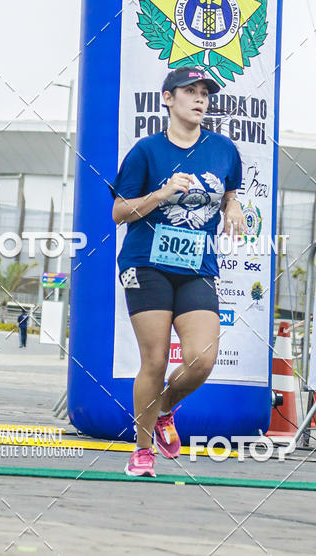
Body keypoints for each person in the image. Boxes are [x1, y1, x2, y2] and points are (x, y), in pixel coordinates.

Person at [110, 66, 244, 477]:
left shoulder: (223, 149)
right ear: (168, 98)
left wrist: (234, 206)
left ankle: (164, 409)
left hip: (196, 265)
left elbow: (230, 190)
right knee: (154, 360)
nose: (200, 98)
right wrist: (161, 193)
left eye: (205, 92)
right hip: (147, 263)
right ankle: (142, 450)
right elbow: (119, 212)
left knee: (202, 359)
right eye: (190, 91)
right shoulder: (146, 151)